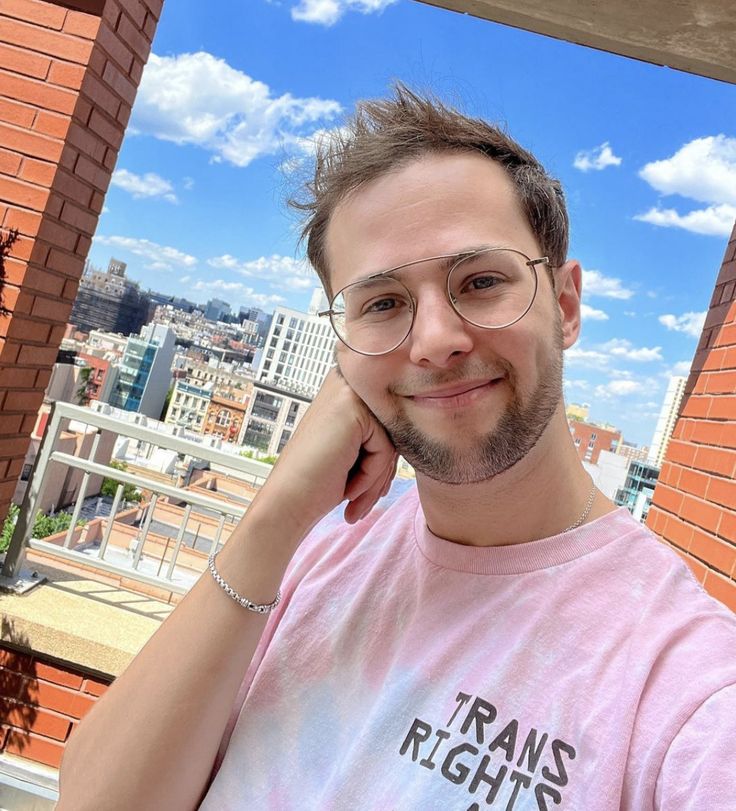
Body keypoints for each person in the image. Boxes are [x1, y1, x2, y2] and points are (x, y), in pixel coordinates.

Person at [57, 86, 736, 810]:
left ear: (565, 305)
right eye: (382, 302)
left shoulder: (687, 690)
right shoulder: (320, 549)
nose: (436, 339)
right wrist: (277, 512)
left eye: (480, 281)